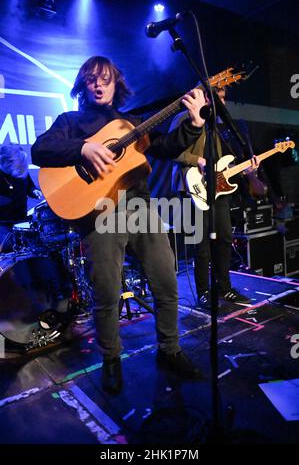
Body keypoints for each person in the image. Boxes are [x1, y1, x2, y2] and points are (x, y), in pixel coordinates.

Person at [31, 55, 208, 394]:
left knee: (166, 280)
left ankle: (170, 350)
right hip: (99, 213)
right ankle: (112, 360)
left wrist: (195, 123)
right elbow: (42, 149)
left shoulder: (131, 123)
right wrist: (83, 148)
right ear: (83, 86)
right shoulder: (71, 121)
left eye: (105, 79)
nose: (98, 84)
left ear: (116, 85)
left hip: (140, 207)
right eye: (91, 80)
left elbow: (168, 147)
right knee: (107, 292)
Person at [170, 86, 259, 309]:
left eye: (224, 99)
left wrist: (248, 166)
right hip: (194, 187)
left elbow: (222, 161)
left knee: (225, 237)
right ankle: (203, 293)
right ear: (206, 98)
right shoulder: (184, 117)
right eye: (219, 98)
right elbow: (169, 150)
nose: (223, 103)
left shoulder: (218, 126)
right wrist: (197, 161)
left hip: (217, 188)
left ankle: (224, 288)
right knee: (202, 245)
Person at [0, 143, 42, 252]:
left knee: (31, 247)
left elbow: (29, 185)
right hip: (3, 222)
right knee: (8, 248)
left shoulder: (20, 168)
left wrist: (34, 191)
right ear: (6, 162)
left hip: (21, 218)